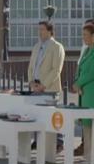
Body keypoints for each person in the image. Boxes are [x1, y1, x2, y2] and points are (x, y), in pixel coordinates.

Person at [28, 21, 66, 151]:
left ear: (50, 31)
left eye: (42, 30)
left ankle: (59, 142)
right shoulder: (36, 46)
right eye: (39, 30)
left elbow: (56, 70)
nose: (40, 32)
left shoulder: (57, 47)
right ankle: (38, 140)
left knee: (53, 115)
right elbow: (31, 67)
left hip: (49, 88)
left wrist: (44, 85)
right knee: (37, 114)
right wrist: (31, 82)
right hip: (36, 86)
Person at [72, 24, 94, 160]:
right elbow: (79, 68)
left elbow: (93, 72)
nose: (83, 37)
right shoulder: (86, 50)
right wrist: (76, 82)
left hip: (93, 91)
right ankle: (88, 156)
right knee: (86, 124)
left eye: (86, 34)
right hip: (84, 91)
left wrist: (78, 83)